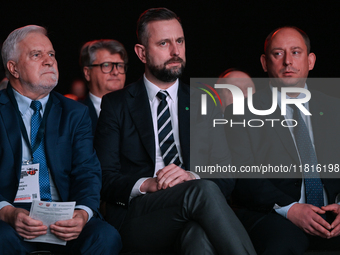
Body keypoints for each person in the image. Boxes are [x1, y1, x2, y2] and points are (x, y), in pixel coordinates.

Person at [94, 7, 256, 255]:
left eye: (179, 41)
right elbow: (104, 178)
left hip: (193, 209)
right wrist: (147, 184)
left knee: (197, 236)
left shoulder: (205, 101)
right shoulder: (117, 104)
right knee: (202, 191)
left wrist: (190, 176)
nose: (175, 51)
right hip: (138, 216)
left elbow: (225, 175)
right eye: (163, 43)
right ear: (142, 53)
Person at [0, 25, 121, 255]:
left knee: (106, 237)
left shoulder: (74, 113)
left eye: (51, 54)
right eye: (37, 55)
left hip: (63, 217)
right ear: (13, 68)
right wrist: (7, 213)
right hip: (11, 218)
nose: (49, 61)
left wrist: (82, 214)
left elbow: (87, 171)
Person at [225, 26, 340, 254]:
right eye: (278, 53)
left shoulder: (334, 108)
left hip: (331, 213)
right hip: (274, 214)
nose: (288, 61)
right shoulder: (240, 113)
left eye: (296, 52)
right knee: (284, 242)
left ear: (310, 60)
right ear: (264, 62)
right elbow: (244, 178)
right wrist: (291, 209)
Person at [79, 39, 128, 134]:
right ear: (87, 72)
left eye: (120, 65)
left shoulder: (138, 108)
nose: (116, 72)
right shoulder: (74, 114)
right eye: (106, 65)